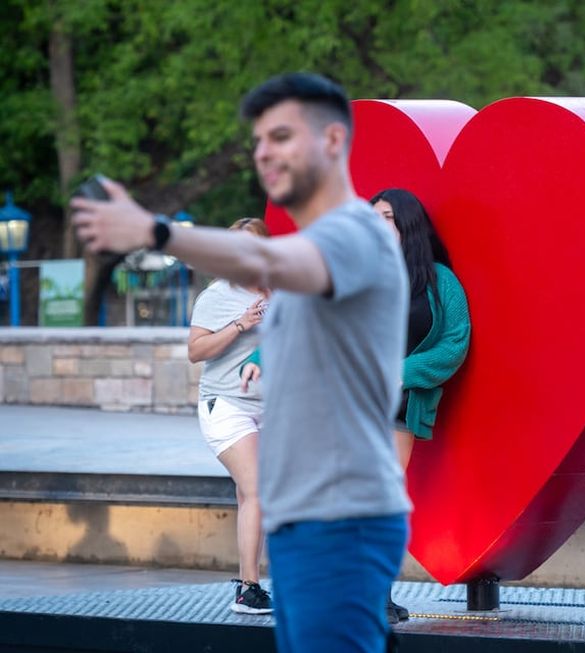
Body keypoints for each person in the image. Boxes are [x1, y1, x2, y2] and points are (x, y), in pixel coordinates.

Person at [71, 72, 411, 653]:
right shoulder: (323, 245)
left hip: (343, 517)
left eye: (281, 136)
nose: (263, 153)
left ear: (332, 141)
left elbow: (262, 257)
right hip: (308, 517)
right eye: (257, 140)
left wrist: (157, 232)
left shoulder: (358, 235)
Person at [371, 188, 470, 623]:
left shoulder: (439, 281)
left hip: (399, 403)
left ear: (408, 224)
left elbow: (455, 342)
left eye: (387, 217)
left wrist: (403, 372)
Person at [187, 217, 271, 614]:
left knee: (248, 494)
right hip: (226, 404)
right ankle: (249, 589)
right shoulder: (217, 295)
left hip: (270, 410)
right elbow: (196, 351)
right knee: (258, 490)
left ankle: (246, 580)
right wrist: (241, 325)